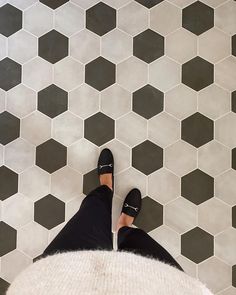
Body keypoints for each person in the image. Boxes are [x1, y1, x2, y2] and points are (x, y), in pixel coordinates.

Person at [7, 149, 213, 295]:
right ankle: (124, 226)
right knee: (138, 243)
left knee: (92, 214)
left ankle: (106, 189)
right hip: (164, 286)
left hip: (60, 280)